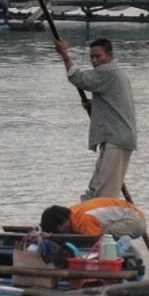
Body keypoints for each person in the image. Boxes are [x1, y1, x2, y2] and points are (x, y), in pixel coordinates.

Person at [55, 36, 137, 200]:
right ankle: (88, 214)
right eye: (91, 57)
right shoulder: (115, 74)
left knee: (106, 191)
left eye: (98, 56)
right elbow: (113, 102)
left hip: (117, 138)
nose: (94, 61)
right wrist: (95, 105)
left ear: (110, 56)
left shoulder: (108, 71)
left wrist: (65, 54)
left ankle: (102, 221)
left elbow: (79, 79)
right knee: (96, 185)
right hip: (113, 137)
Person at [40, 198, 146, 239]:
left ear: (63, 224)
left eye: (58, 231)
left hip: (135, 221)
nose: (60, 234)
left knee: (104, 236)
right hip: (129, 214)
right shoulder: (72, 212)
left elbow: (94, 242)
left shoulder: (84, 219)